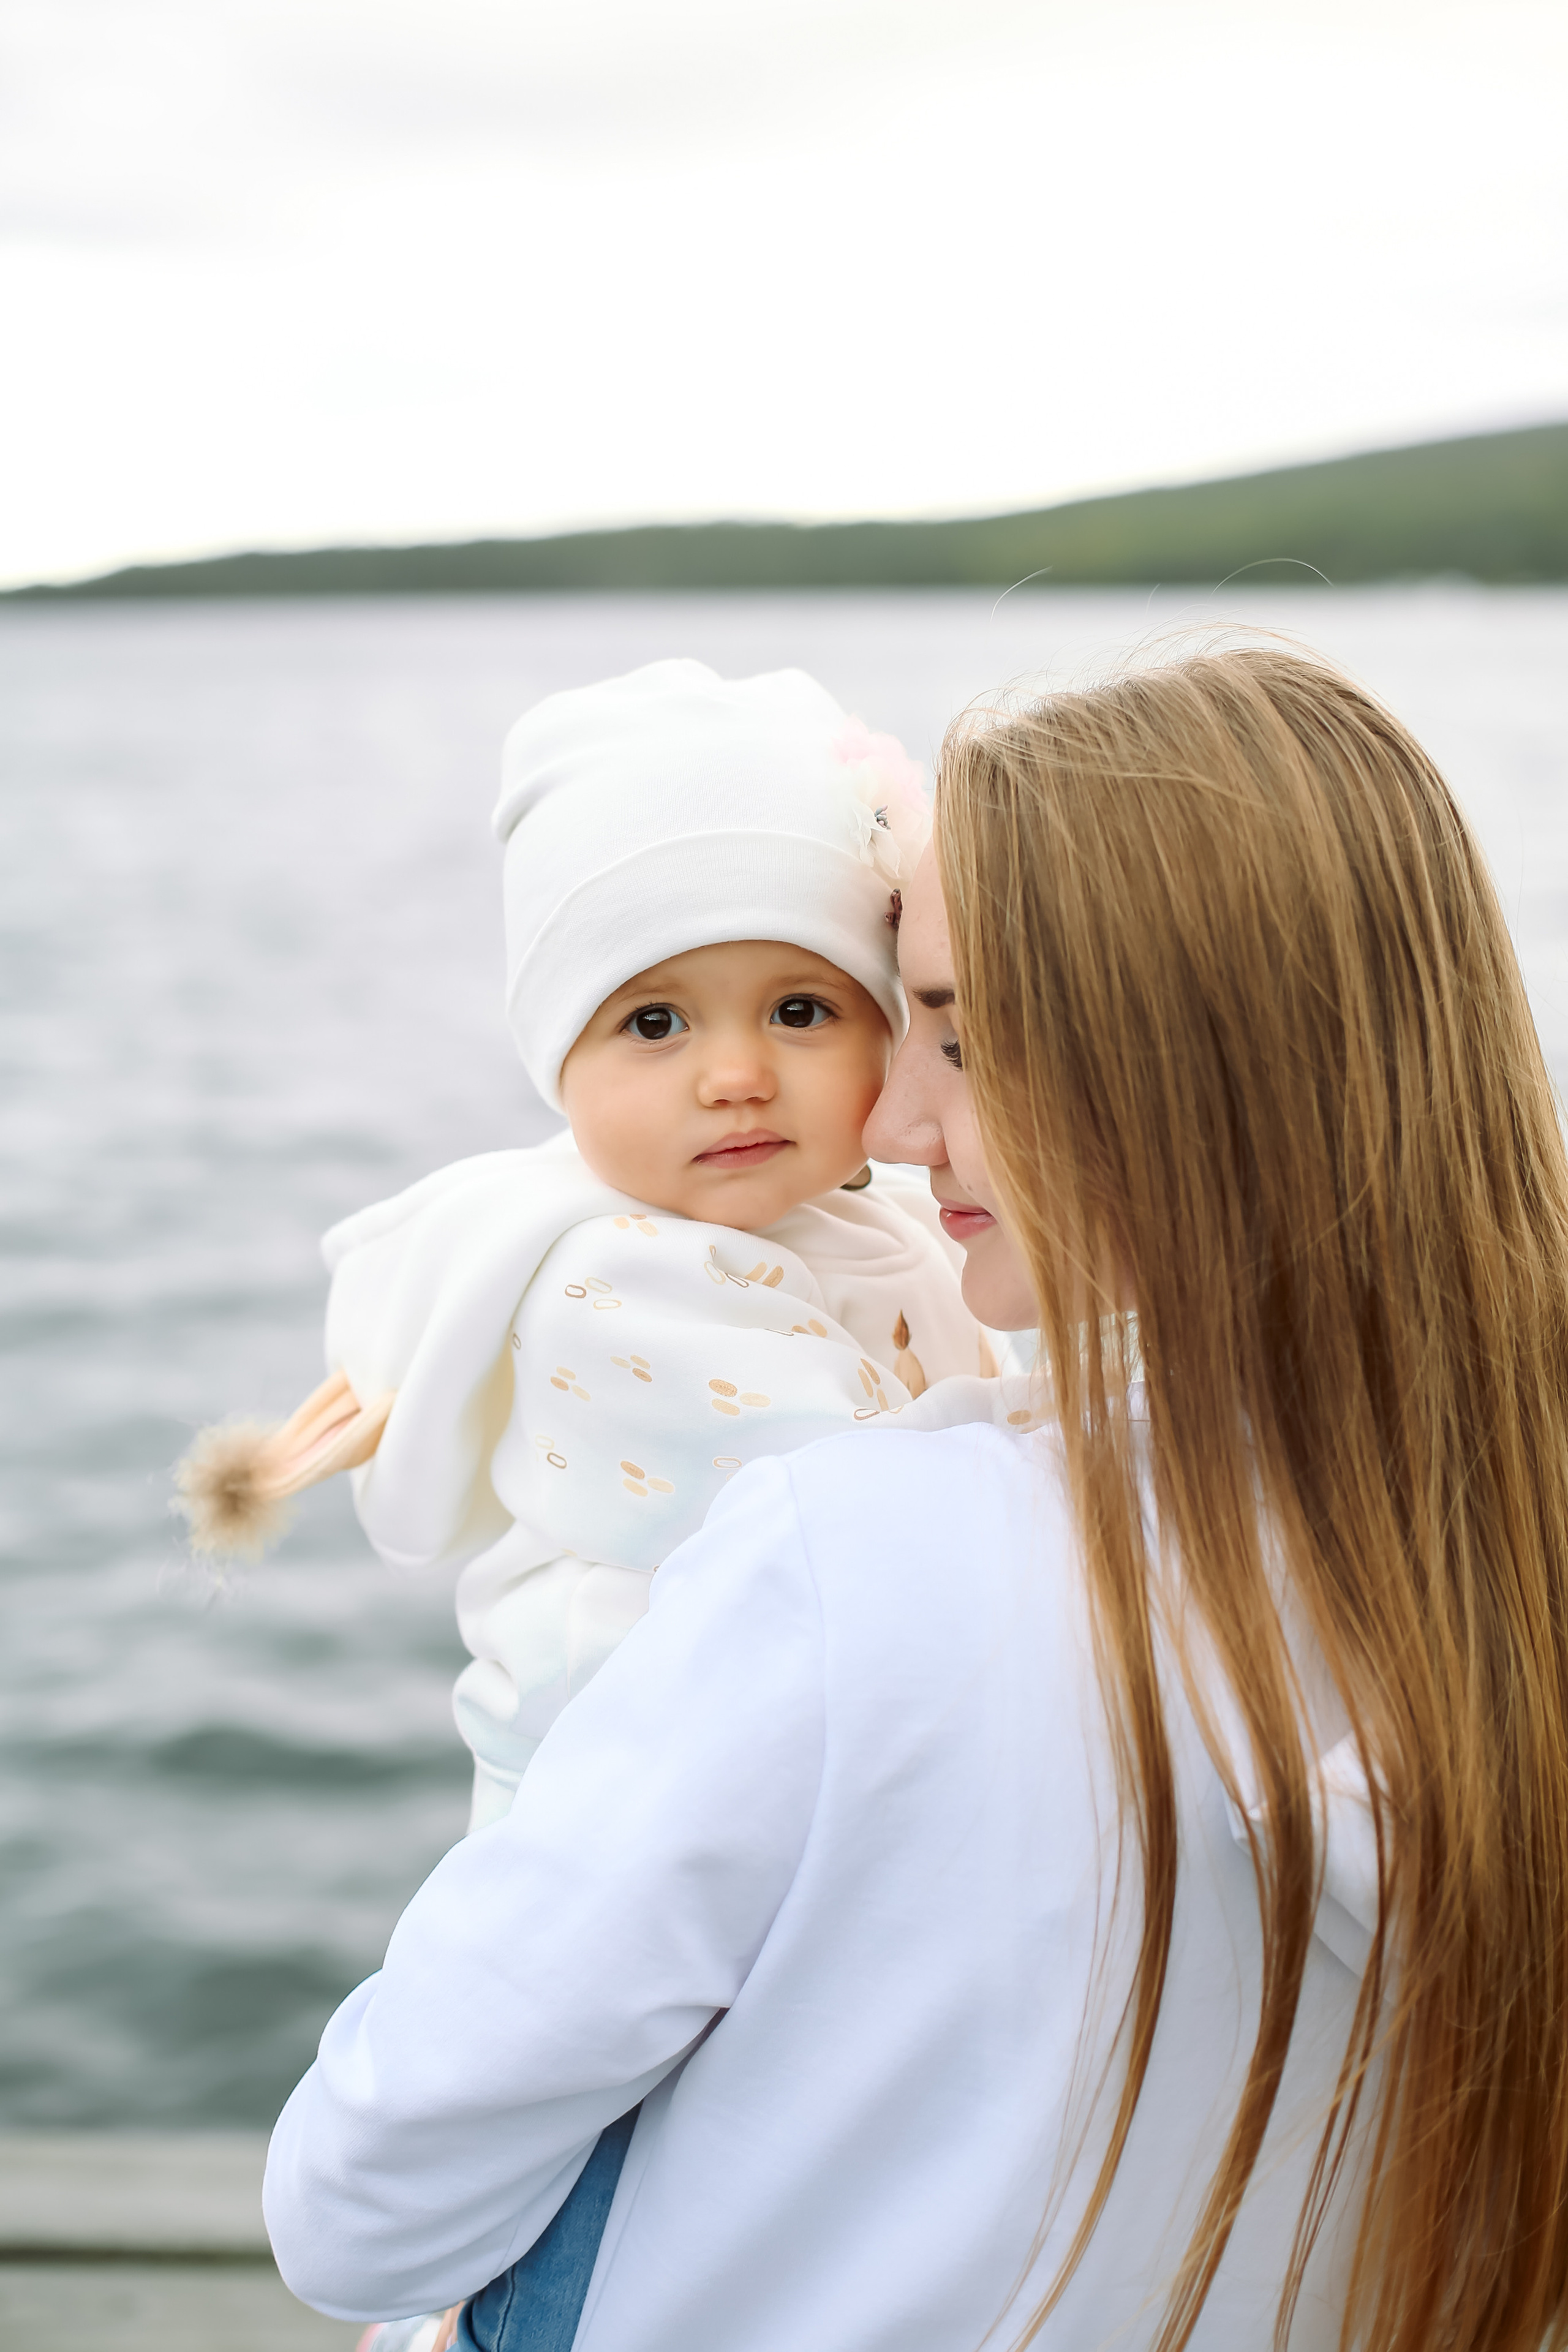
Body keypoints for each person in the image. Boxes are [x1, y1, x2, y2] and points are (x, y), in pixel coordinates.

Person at [265, 644, 1568, 2351]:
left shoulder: (857, 1551)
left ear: (1175, 1064)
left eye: (952, 1034)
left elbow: (359, 2203)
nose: (880, 1119)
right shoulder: (1511, 1538)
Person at [176, 658, 992, 1835]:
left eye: (801, 1010)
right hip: (609, 1816)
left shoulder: (876, 1225)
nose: (737, 1076)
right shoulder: (609, 1286)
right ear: (558, 1064)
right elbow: (865, 1503)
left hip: (779, 1775)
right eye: (654, 1023)